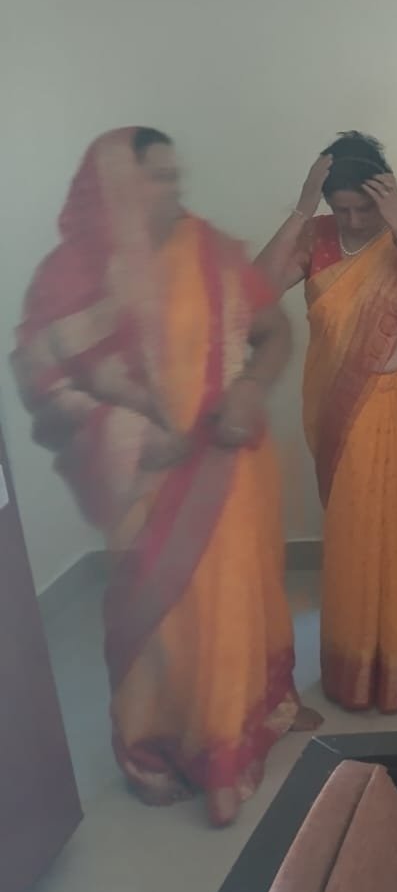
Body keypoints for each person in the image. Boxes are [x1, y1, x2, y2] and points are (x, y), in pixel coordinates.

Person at [12, 128, 317, 826]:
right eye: (156, 176)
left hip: (234, 470)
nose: (173, 188)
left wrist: (249, 389)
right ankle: (158, 747)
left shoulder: (207, 249)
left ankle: (243, 730)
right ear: (113, 185)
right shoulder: (74, 275)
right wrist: (131, 433)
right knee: (164, 623)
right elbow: (41, 377)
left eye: (175, 175)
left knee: (243, 599)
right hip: (146, 482)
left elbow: (273, 332)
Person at [256, 131, 397, 711]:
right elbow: (257, 290)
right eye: (339, 208)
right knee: (355, 534)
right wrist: (302, 209)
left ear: (384, 195)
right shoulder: (316, 237)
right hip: (344, 409)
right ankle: (358, 667)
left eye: (362, 209)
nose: (350, 220)